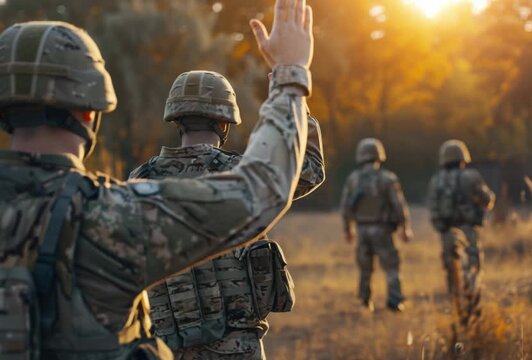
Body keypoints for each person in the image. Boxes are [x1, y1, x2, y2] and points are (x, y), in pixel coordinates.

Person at [0, 0, 314, 357]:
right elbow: (263, 188)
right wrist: (290, 76)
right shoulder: (112, 218)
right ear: (90, 111)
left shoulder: (135, 182)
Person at [128, 69, 324, 360]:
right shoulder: (242, 175)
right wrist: (294, 102)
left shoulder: (139, 181)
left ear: (177, 119)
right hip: (236, 346)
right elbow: (309, 169)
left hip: (165, 348)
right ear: (224, 122)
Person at [340, 138, 413, 312]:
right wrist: (405, 228)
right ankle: (394, 302)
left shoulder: (353, 179)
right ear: (379, 156)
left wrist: (348, 229)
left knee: (365, 269)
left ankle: (365, 302)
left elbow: (345, 207)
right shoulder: (387, 179)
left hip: (362, 229)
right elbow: (398, 205)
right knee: (391, 267)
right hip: (383, 230)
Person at [426, 139, 495, 325]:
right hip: (467, 230)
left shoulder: (436, 180)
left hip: (447, 232)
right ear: (462, 158)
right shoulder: (471, 176)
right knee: (472, 269)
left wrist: (440, 228)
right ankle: (472, 309)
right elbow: (488, 199)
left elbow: (432, 207)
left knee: (451, 270)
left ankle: (455, 309)